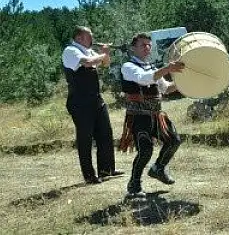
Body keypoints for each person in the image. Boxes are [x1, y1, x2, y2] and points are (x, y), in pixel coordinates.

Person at [119, 32, 185, 199]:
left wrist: (185, 83)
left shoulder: (152, 67)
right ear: (133, 48)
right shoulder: (128, 66)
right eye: (143, 45)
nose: (147, 48)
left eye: (149, 44)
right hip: (139, 116)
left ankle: (158, 169)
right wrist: (167, 68)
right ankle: (134, 186)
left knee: (174, 140)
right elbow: (143, 79)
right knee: (145, 151)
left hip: (157, 115)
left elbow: (166, 88)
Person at [61, 26, 122, 184]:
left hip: (96, 99)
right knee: (85, 138)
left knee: (105, 133)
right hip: (80, 102)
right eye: (90, 36)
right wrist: (102, 54)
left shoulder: (89, 51)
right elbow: (88, 63)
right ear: (79, 37)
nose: (92, 39)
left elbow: (106, 63)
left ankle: (106, 169)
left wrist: (106, 53)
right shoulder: (71, 50)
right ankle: (89, 175)